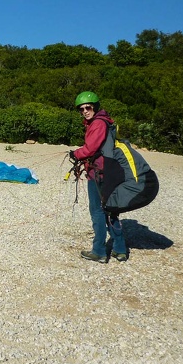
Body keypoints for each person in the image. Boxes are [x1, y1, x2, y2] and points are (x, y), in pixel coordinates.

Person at [70, 91, 127, 263]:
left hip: (99, 174)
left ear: (95, 106)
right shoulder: (105, 121)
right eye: (81, 109)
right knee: (111, 211)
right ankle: (120, 250)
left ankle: (99, 251)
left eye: (88, 107)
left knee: (98, 212)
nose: (85, 111)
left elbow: (90, 149)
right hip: (108, 172)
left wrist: (75, 154)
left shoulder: (97, 124)